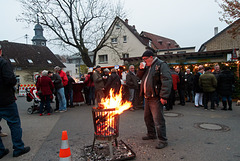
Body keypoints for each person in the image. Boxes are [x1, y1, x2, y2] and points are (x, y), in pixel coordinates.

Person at [137, 50, 172, 149]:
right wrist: (141, 69)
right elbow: (139, 77)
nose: (144, 61)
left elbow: (167, 80)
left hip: (155, 97)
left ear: (151, 57)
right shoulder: (148, 67)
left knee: (158, 120)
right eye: (143, 59)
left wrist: (164, 96)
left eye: (145, 59)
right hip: (147, 97)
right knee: (147, 118)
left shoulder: (161, 65)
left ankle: (163, 140)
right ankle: (151, 134)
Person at [0, 51, 30, 158]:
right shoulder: (3, 63)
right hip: (5, 99)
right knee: (14, 124)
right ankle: (18, 148)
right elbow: (10, 80)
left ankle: (0, 150)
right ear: (0, 51)